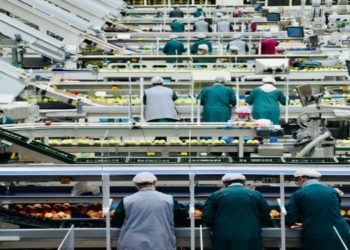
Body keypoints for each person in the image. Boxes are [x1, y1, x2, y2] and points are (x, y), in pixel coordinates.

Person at [112, 172, 188, 250]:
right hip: (161, 243)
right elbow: (181, 218)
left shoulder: (127, 200)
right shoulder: (169, 200)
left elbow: (116, 220)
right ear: (155, 183)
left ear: (136, 185)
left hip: (133, 244)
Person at [202, 173, 272, 250]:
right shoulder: (256, 194)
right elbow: (266, 215)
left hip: (224, 235)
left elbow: (207, 217)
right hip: (251, 235)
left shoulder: (216, 195)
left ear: (225, 183)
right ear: (243, 182)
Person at [286, 169, 350, 250]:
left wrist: (287, 223)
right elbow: (332, 211)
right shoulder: (333, 191)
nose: (297, 183)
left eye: (296, 180)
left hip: (315, 234)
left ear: (302, 178)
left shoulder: (298, 194)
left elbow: (291, 218)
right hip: (338, 231)